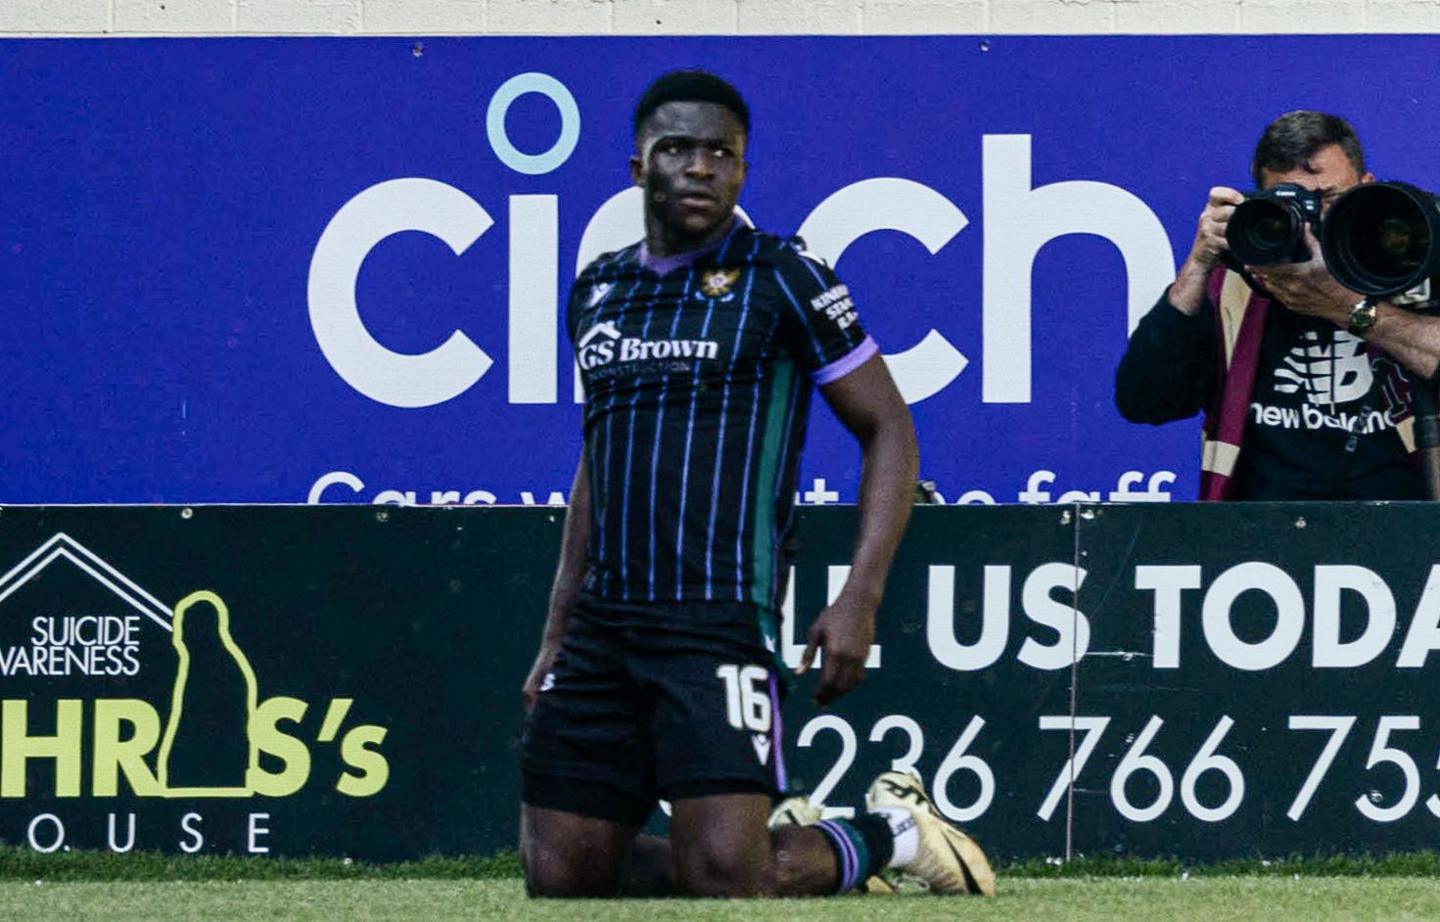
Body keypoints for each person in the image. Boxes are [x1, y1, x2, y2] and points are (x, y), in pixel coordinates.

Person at [517, 70, 995, 899]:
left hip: (718, 618)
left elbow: (890, 430)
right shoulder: (598, 288)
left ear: (742, 170)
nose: (698, 168)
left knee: (726, 880)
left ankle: (892, 834)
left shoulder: (783, 276)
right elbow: (600, 460)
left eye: (720, 154)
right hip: (604, 625)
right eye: (677, 150)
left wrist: (860, 596)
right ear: (638, 167)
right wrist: (558, 629)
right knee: (560, 876)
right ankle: (793, 838)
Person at [1116, 110, 1440, 500]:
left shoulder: (1411, 259)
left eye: (1327, 198)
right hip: (1264, 539)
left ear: (1365, 186)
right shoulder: (1238, 279)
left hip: (1407, 529)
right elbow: (1145, 401)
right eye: (1293, 204)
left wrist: (1342, 305)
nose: (1312, 221)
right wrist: (1199, 264)